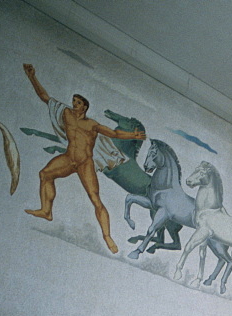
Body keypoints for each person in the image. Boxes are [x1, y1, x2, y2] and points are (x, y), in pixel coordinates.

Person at [22, 64, 147, 255]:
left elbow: (113, 133)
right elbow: (44, 97)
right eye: (73, 101)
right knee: (45, 174)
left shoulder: (92, 125)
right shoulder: (65, 114)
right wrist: (32, 77)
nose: (74, 104)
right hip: (68, 158)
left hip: (84, 163)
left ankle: (107, 237)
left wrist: (133, 136)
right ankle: (46, 211)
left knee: (95, 199)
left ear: (85, 107)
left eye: (78, 102)